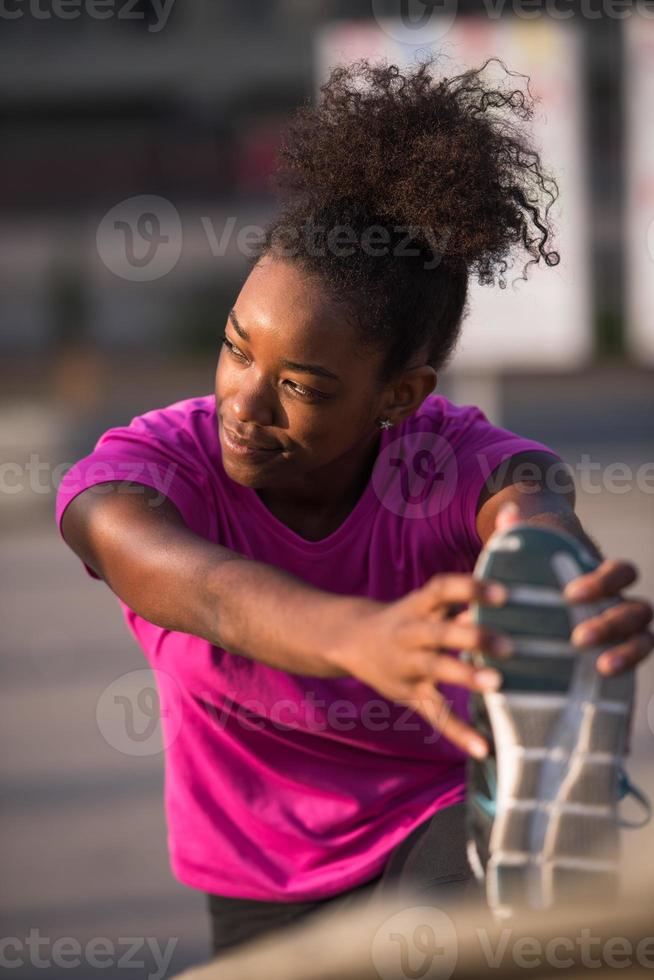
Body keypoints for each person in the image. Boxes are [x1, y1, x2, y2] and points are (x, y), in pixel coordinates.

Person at [55, 58, 653, 957]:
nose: (245, 405)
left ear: (400, 396)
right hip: (258, 878)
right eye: (234, 349)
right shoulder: (152, 469)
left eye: (300, 386)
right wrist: (361, 639)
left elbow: (525, 499)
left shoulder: (442, 460)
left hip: (434, 823)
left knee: (468, 941)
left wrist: (558, 584)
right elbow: (207, 591)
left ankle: (521, 843)